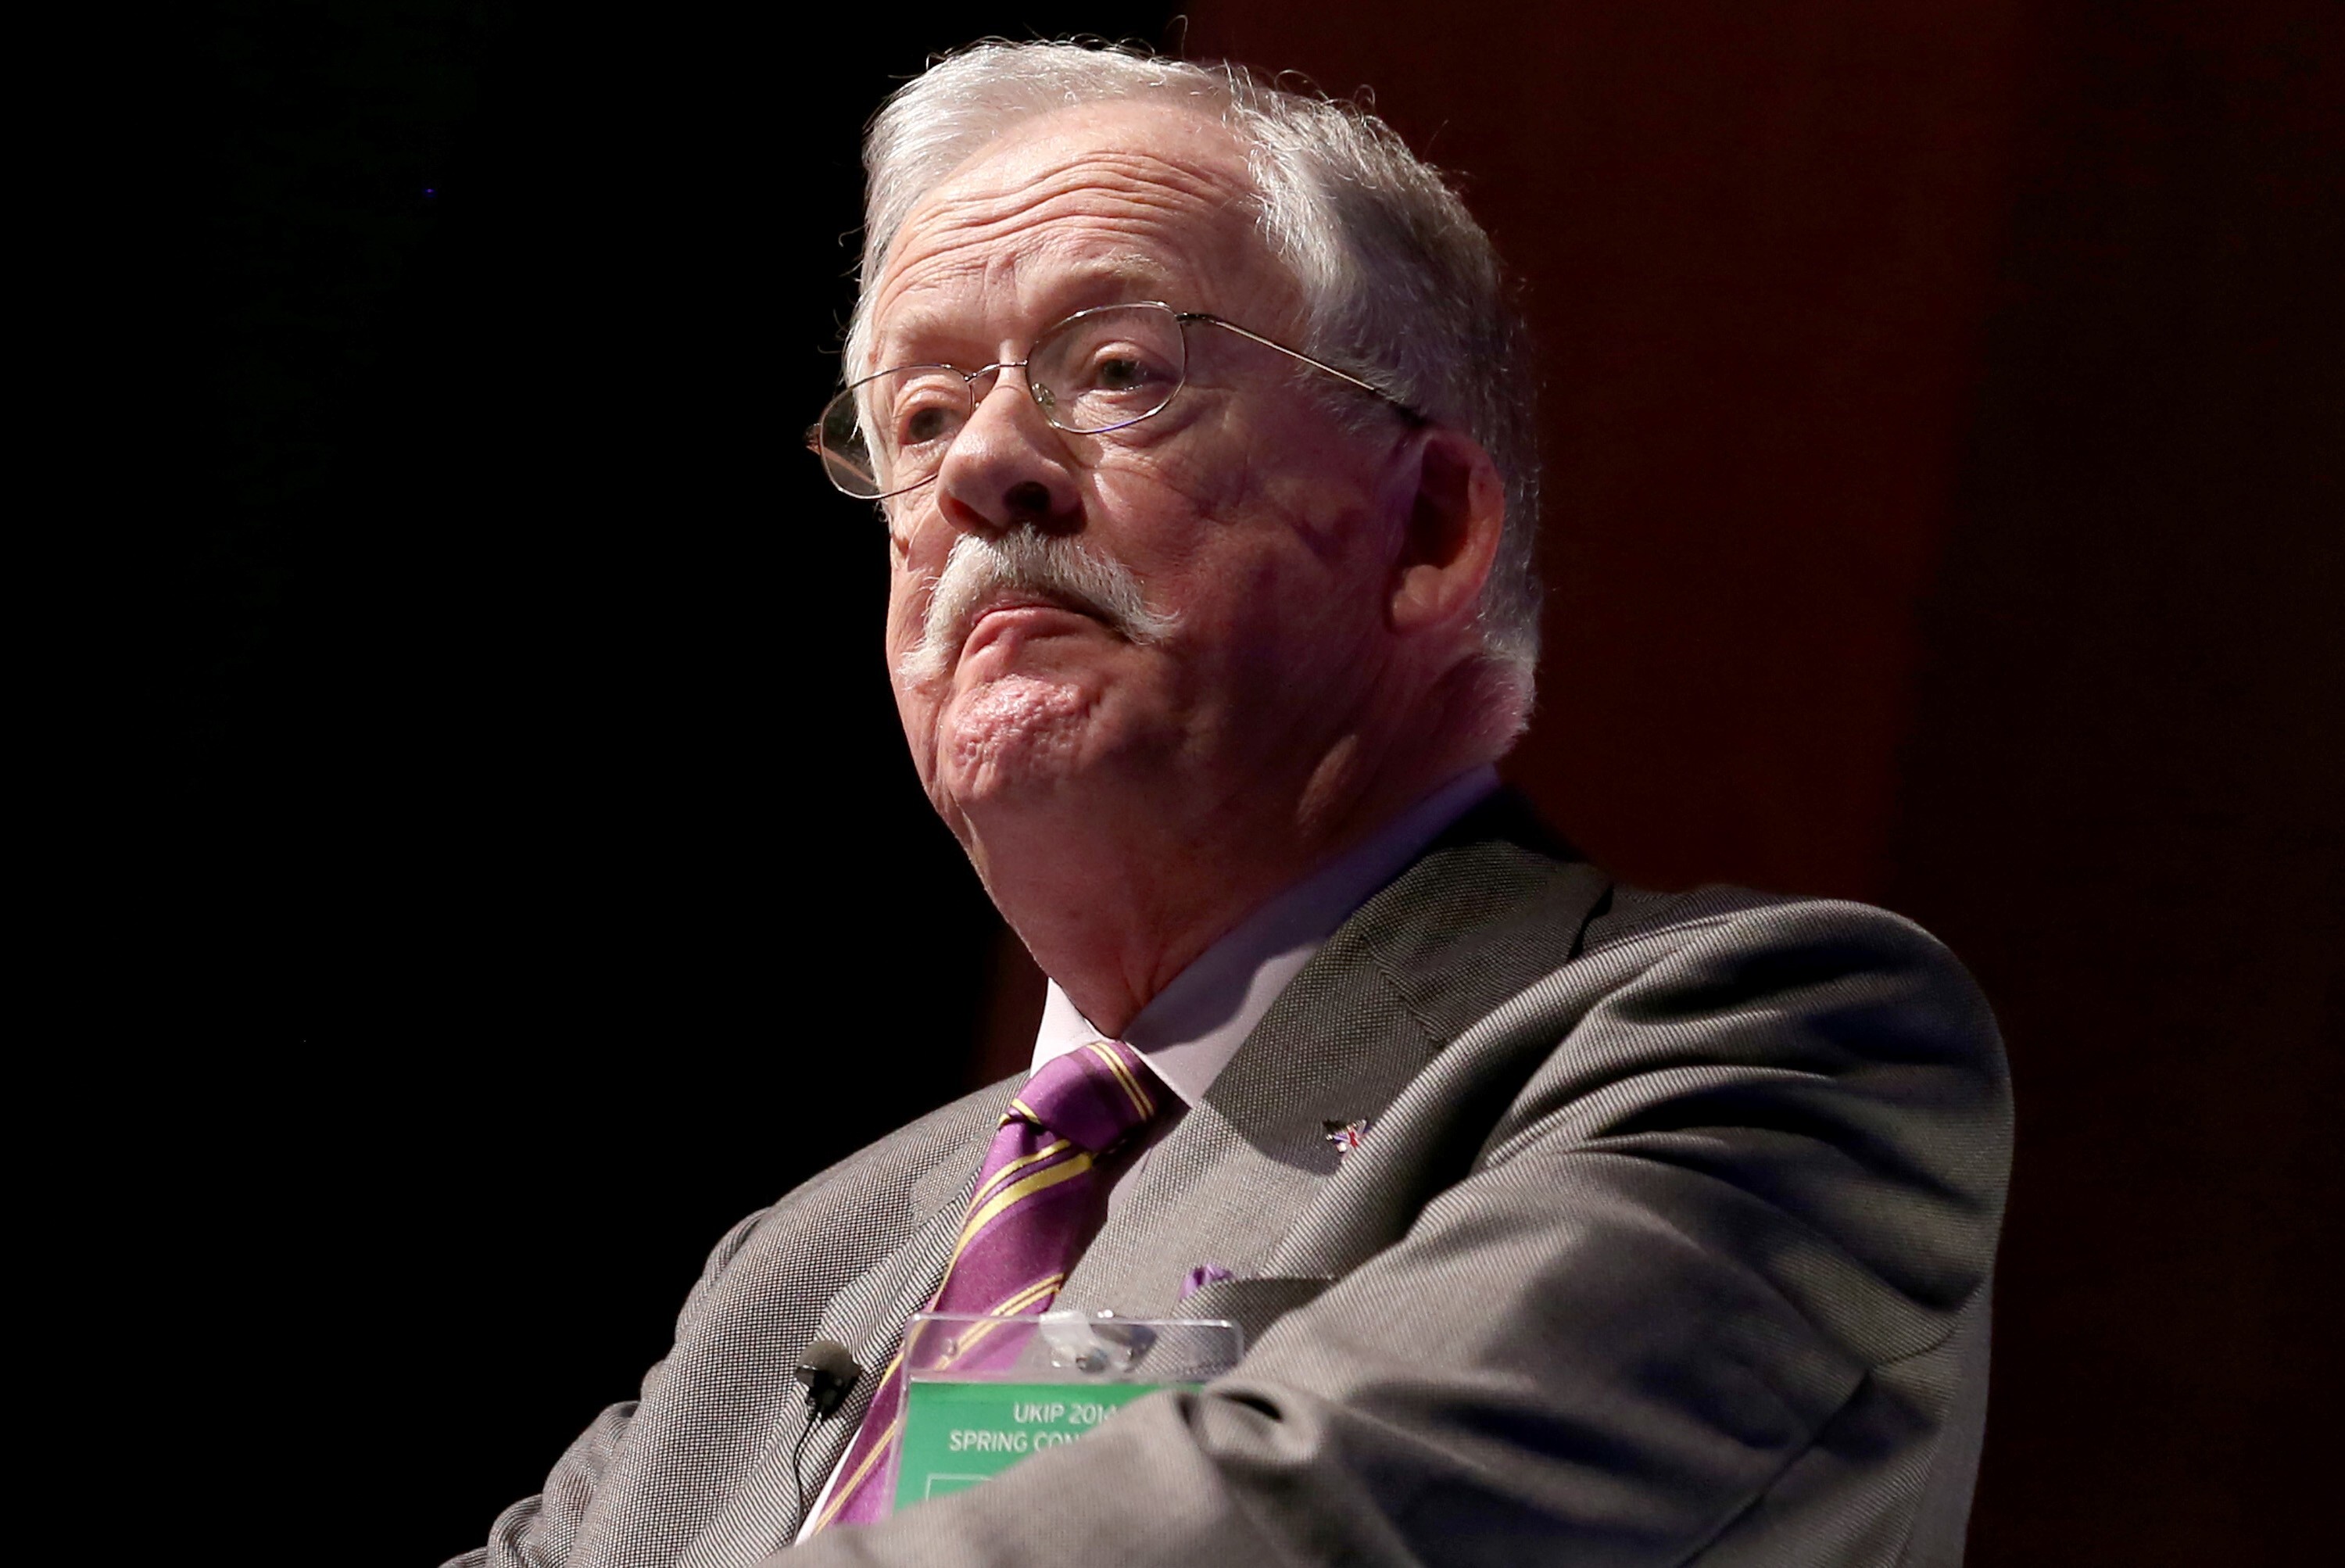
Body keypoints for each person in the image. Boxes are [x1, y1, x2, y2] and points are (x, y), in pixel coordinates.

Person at [451, 41, 2009, 1568]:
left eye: (1119, 372)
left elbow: (1301, 1523)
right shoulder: (804, 1257)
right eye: (918, 416)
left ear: (1429, 524)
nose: (987, 460)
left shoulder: (1769, 1047)